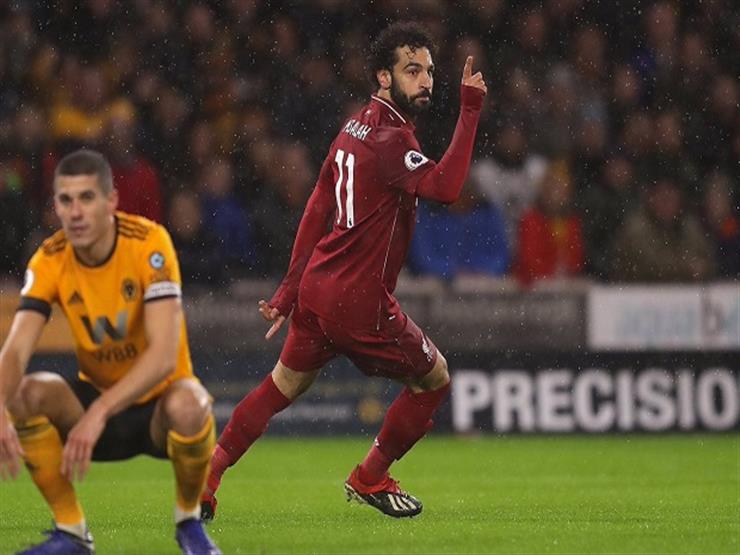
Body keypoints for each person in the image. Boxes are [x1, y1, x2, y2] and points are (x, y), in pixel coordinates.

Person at [201, 21, 486, 520]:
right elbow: (445, 187)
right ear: (383, 77)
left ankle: (207, 477)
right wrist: (470, 110)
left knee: (282, 385)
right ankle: (371, 475)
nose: (425, 81)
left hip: (318, 289)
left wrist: (290, 290)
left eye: (429, 71)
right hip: (360, 302)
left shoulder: (354, 127)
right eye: (412, 70)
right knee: (434, 379)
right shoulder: (391, 140)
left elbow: (318, 205)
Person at [0, 150, 220, 555]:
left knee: (192, 404)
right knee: (24, 393)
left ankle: (189, 523)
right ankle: (71, 533)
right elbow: (16, 348)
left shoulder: (149, 243)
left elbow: (163, 357)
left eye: (86, 198)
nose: (75, 212)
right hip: (92, 406)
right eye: (66, 200)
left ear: (111, 201)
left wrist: (100, 411)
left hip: (157, 409)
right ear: (55, 207)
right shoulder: (50, 258)